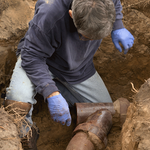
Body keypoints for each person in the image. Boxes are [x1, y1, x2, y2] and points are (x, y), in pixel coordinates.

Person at [5, 0, 134, 149]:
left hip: (76, 67)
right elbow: (32, 56)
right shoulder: (50, 12)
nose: (90, 40)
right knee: (18, 103)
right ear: (71, 15)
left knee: (107, 112)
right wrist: (51, 93)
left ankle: (63, 93)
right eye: (85, 36)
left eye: (95, 38)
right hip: (40, 60)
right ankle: (26, 136)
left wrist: (117, 26)